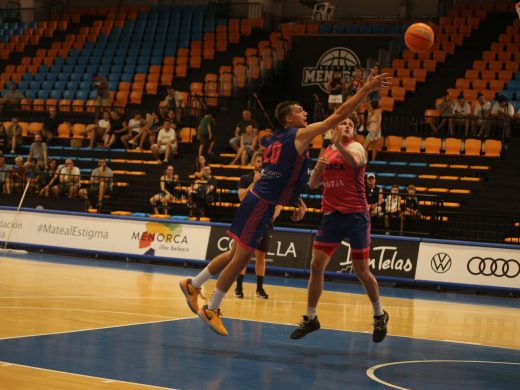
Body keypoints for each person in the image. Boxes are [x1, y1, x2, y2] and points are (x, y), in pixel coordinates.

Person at [179, 69, 390, 336]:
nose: (305, 114)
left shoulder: (275, 141)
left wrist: (296, 200)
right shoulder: (298, 136)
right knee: (241, 257)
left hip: (262, 200)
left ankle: (193, 283)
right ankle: (212, 307)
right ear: (289, 118)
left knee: (235, 253)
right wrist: (365, 90)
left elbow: (280, 176)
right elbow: (338, 115)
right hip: (262, 203)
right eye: (300, 110)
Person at [289, 117, 389, 343]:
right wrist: (319, 166)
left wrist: (339, 145)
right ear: (334, 128)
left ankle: (379, 314)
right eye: (342, 123)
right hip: (331, 215)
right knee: (316, 265)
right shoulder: (327, 151)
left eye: (350, 125)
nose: (347, 126)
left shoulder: (355, 147)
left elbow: (353, 162)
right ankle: (311, 317)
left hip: (355, 215)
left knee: (361, 270)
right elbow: (314, 184)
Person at [234, 151, 281, 299]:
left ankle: (259, 289)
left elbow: (280, 201)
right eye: (259, 161)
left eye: (264, 161)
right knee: (243, 256)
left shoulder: (272, 180)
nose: (262, 164)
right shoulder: (245, 178)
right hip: (248, 221)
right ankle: (239, 287)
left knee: (261, 256)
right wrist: (254, 183)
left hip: (265, 222)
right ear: (254, 162)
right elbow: (242, 197)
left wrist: (277, 211)